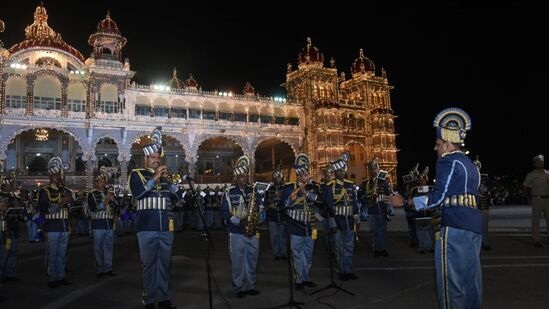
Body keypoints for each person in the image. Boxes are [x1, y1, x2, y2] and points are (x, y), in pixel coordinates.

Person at [387, 107, 482, 309]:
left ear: (448, 144)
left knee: (451, 282)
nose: (435, 148)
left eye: (438, 144)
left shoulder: (448, 160)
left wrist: (405, 202)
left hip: (455, 224)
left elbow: (438, 198)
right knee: (471, 279)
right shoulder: (471, 164)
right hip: (474, 225)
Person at [128, 127, 182, 309]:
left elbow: (179, 200)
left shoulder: (166, 179)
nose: (157, 161)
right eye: (153, 158)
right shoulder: (137, 174)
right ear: (146, 159)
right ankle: (149, 299)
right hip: (146, 227)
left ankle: (163, 296)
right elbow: (137, 194)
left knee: (165, 264)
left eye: (158, 158)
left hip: (166, 227)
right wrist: (155, 178)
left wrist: (174, 185)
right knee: (148, 265)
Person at [221, 156, 265, 298]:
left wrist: (261, 207)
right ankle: (239, 287)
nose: (244, 179)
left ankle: (250, 285)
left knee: (252, 260)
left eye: (246, 176)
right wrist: (240, 222)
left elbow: (261, 209)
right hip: (236, 233)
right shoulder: (228, 192)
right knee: (237, 262)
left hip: (253, 231)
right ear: (236, 178)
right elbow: (224, 212)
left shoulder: (253, 190)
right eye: (241, 177)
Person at [280, 153, 319, 290]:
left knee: (308, 254)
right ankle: (299, 279)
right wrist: (291, 199)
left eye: (308, 174)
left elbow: (319, 201)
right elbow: (283, 205)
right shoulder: (289, 188)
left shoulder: (312, 187)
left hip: (310, 226)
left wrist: (307, 194)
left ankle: (307, 277)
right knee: (297, 254)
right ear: (299, 175)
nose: (308, 177)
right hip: (295, 226)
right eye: (305, 175)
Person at [323, 151, 360, 281]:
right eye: (338, 171)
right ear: (335, 172)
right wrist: (332, 222)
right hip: (338, 221)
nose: (341, 173)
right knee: (339, 248)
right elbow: (329, 206)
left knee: (349, 247)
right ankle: (341, 271)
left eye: (342, 171)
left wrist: (356, 216)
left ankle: (349, 270)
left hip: (349, 220)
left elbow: (354, 202)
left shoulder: (349, 184)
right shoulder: (330, 187)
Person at [38, 157, 73, 288]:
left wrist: (69, 203)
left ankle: (61, 276)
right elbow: (44, 209)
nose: (59, 177)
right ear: (51, 176)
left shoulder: (65, 190)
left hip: (64, 225)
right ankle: (52, 278)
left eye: (60, 175)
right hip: (52, 226)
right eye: (56, 175)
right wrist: (60, 203)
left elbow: (72, 207)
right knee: (53, 254)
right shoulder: (45, 191)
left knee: (62, 254)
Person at [88, 169, 117, 278]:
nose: (103, 183)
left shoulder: (109, 192)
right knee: (98, 248)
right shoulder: (92, 194)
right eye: (100, 181)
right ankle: (100, 269)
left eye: (104, 181)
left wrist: (113, 200)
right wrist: (105, 202)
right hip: (98, 224)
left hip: (109, 224)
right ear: (96, 182)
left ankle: (108, 268)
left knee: (108, 247)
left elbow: (116, 207)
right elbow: (94, 209)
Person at [359, 159, 391, 257]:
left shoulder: (384, 182)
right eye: (371, 169)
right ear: (369, 170)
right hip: (372, 210)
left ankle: (382, 248)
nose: (373, 171)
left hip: (382, 209)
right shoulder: (365, 183)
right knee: (375, 231)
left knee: (382, 231)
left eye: (375, 169)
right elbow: (360, 195)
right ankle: (377, 249)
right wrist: (367, 199)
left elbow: (388, 194)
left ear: (378, 169)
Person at [522, 154, 549, 247]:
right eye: (539, 162)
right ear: (535, 164)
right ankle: (536, 240)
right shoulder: (531, 174)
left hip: (547, 199)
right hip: (536, 199)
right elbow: (524, 187)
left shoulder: (547, 173)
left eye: (542, 161)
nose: (541, 163)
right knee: (536, 221)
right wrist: (528, 198)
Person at [265, 166, 288, 260]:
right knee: (274, 235)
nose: (278, 179)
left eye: (279, 177)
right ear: (274, 178)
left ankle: (283, 252)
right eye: (276, 177)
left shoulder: (286, 188)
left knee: (283, 235)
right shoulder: (269, 188)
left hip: (282, 214)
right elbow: (265, 201)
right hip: (272, 215)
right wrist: (269, 204)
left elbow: (287, 200)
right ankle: (276, 253)